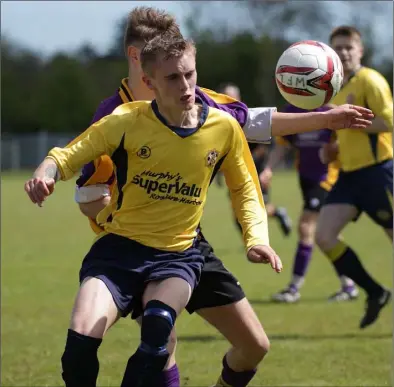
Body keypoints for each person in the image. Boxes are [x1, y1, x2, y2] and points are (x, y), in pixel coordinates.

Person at [74, 8, 374, 386]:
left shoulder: (197, 101)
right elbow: (88, 193)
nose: (180, 73)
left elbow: (257, 122)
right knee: (160, 340)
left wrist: (328, 118)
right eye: (163, 58)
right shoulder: (114, 115)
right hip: (135, 248)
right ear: (138, 58)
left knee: (254, 346)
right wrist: (121, 226)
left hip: (190, 247)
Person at [24, 35, 283, 387]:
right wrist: (45, 172)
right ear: (149, 82)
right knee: (79, 348)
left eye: (190, 74)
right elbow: (70, 154)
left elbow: (245, 188)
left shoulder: (222, 128)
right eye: (173, 78)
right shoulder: (127, 120)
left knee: (159, 329)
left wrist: (257, 238)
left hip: (177, 256)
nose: (187, 85)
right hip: (119, 251)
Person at [315, 26, 393, 329]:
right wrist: (332, 149)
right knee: (324, 237)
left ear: (360, 50)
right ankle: (375, 292)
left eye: (349, 47)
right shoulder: (334, 87)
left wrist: (349, 122)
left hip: (379, 174)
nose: (344, 52)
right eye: (338, 48)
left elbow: (388, 121)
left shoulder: (370, 80)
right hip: (348, 177)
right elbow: (346, 132)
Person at [260, 103, 358, 303]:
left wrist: (335, 148)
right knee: (330, 235)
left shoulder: (331, 109)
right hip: (305, 179)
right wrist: (269, 168)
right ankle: (349, 285)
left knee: (306, 227)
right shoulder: (291, 111)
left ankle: (294, 287)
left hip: (326, 180)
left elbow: (348, 141)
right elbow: (282, 145)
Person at [217, 82, 292, 237]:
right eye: (225, 96)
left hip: (255, 171)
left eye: (232, 96)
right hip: (234, 173)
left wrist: (261, 167)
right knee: (239, 211)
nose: (228, 100)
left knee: (257, 207)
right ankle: (252, 239)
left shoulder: (248, 119)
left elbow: (265, 146)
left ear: (238, 98)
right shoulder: (219, 122)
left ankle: (274, 218)